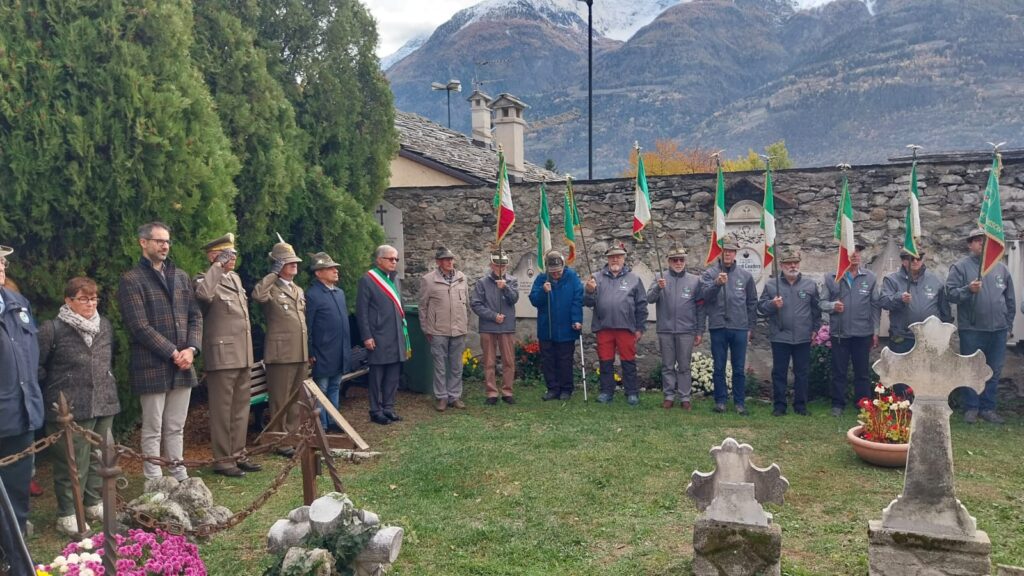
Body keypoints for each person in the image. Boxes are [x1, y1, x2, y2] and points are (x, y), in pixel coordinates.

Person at [118, 222, 202, 481]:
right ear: (143, 243)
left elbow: (195, 316)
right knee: (153, 428)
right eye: (159, 241)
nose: (165, 246)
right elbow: (138, 326)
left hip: (184, 363)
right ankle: (153, 480)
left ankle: (179, 474)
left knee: (176, 426)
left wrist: (191, 348)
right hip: (151, 364)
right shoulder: (131, 279)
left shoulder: (181, 276)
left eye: (167, 241)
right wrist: (172, 352)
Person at [38, 277, 121, 534]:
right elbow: (39, 367)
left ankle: (94, 501)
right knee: (72, 462)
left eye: (94, 298)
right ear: (68, 301)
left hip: (104, 402)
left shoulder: (104, 325)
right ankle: (68, 512)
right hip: (68, 407)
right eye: (83, 298)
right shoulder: (52, 329)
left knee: (100, 456)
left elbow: (109, 360)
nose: (90, 303)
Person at [193, 233, 259, 477]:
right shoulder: (205, 278)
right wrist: (217, 267)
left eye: (233, 253)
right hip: (222, 355)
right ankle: (223, 459)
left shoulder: (236, 279)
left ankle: (238, 453)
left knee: (241, 408)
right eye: (226, 254)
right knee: (222, 410)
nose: (233, 258)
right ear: (213, 256)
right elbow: (203, 296)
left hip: (242, 353)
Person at [946, 228, 1015, 424]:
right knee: (971, 369)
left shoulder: (1000, 268)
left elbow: (1010, 300)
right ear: (970, 244)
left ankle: (988, 408)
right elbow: (950, 294)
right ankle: (971, 407)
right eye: (977, 241)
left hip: (998, 331)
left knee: (994, 370)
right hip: (972, 330)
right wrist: (968, 289)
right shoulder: (960, 267)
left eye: (985, 241)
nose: (981, 244)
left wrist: (1008, 325)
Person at [0, 244, 44, 537]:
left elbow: (31, 354)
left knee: (17, 498)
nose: (2, 267)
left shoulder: (18, 303)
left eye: (2, 262)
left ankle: (15, 556)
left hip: (21, 412)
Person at [252, 240, 307, 454]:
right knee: (280, 400)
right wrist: (273, 274)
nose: (294, 264)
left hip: (299, 351)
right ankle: (278, 440)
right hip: (281, 354)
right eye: (288, 262)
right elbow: (258, 295)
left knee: (296, 399)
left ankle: (292, 437)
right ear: (277, 265)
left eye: (295, 261)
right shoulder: (271, 288)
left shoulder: (297, 289)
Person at [757, 247, 821, 417]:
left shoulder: (810, 285)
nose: (792, 266)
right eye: (788, 263)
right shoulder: (772, 285)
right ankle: (779, 406)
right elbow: (761, 308)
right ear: (782, 265)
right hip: (780, 336)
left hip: (803, 337)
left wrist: (815, 329)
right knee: (779, 373)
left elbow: (816, 310)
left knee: (802, 373)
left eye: (795, 262)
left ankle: (800, 406)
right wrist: (772, 305)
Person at [819, 239, 880, 417]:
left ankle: (863, 403)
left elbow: (875, 306)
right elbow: (821, 303)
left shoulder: (870, 277)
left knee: (862, 372)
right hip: (840, 333)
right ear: (843, 255)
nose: (855, 255)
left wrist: (875, 331)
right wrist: (832, 306)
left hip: (863, 332)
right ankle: (838, 404)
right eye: (851, 252)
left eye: (858, 251)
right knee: (839, 371)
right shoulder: (831, 278)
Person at [584, 243, 648, 405]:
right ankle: (606, 392)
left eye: (618, 256)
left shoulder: (634, 279)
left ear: (624, 258)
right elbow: (587, 302)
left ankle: (631, 392)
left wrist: (640, 327)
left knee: (628, 361)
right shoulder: (596, 277)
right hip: (603, 327)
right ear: (607, 258)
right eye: (612, 256)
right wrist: (589, 291)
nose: (615, 259)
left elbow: (641, 305)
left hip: (626, 328)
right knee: (605, 361)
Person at [700, 235, 757, 415]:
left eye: (731, 251)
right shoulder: (709, 274)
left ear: (735, 254)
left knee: (739, 368)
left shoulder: (745, 276)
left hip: (739, 327)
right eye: (725, 251)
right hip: (718, 326)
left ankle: (740, 402)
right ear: (721, 252)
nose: (728, 254)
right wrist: (717, 283)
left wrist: (750, 327)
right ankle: (721, 401)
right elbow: (704, 297)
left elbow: (752, 303)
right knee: (719, 366)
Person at [647, 244, 704, 410]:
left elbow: (700, 308)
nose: (678, 263)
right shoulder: (660, 277)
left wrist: (699, 330)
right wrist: (658, 287)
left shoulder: (694, 280)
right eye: (674, 260)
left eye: (681, 260)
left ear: (685, 261)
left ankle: (685, 397)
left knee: (684, 366)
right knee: (667, 365)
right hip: (665, 329)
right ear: (669, 261)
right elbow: (649, 299)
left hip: (686, 331)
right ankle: (669, 396)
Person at [357, 245, 409, 424]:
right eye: (390, 259)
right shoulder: (368, 279)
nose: (394, 262)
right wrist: (366, 336)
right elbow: (362, 311)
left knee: (393, 373)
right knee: (377, 375)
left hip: (395, 334)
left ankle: (388, 407)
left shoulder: (394, 279)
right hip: (378, 335)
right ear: (379, 260)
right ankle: (375, 409)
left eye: (396, 259)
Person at [419, 247, 469, 412]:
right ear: (438, 262)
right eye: (446, 259)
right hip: (438, 330)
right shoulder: (428, 280)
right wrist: (426, 329)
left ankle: (454, 396)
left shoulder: (462, 278)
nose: (449, 262)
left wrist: (464, 324)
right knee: (440, 366)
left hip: (458, 329)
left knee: (456, 365)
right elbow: (423, 307)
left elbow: (465, 303)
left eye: (451, 259)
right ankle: (441, 397)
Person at [529, 251, 583, 401]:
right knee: (548, 360)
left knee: (565, 359)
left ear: (563, 266)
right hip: (547, 327)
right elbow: (534, 300)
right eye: (552, 272)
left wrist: (577, 319)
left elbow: (577, 299)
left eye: (558, 271)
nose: (556, 275)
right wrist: (543, 291)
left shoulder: (572, 277)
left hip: (567, 326)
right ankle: (552, 388)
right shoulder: (541, 279)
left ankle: (566, 389)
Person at [305, 251, 351, 430]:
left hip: (339, 350)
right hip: (322, 351)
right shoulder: (313, 295)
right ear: (318, 273)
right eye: (330, 268)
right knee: (321, 389)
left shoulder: (339, 293)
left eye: (335, 268)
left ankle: (334, 421)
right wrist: (310, 351)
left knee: (334, 387)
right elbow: (308, 326)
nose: (335, 271)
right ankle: (322, 424)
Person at [878, 244, 952, 354]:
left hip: (930, 337)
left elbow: (944, 308)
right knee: (902, 371)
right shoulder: (892, 280)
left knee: (929, 370)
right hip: (903, 337)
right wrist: (899, 298)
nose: (915, 261)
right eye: (911, 258)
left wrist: (945, 331)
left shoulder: (934, 279)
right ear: (903, 261)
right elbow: (883, 301)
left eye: (919, 258)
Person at [470, 250, 520, 405]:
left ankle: (507, 391)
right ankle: (491, 393)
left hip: (507, 327)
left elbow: (514, 299)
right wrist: (493, 316)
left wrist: (505, 287)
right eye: (498, 265)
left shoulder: (512, 281)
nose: (501, 268)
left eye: (503, 265)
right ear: (492, 265)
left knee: (509, 361)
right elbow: (476, 304)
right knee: (489, 362)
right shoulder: (482, 283)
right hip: (488, 327)